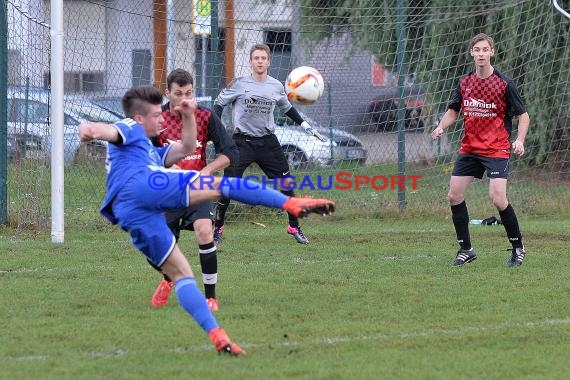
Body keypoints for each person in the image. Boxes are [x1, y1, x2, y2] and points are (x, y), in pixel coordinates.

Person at [78, 85, 335, 356]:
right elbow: (108, 131)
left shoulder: (150, 149)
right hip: (143, 185)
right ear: (139, 118)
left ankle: (218, 336)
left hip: (131, 212)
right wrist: (91, 130)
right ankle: (291, 204)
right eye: (155, 115)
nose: (161, 119)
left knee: (181, 274)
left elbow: (186, 147)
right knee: (222, 185)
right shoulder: (129, 127)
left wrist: (188, 115)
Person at [431, 33, 530, 268]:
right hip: (470, 148)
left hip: (496, 148)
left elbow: (523, 115)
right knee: (454, 195)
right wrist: (440, 126)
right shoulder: (465, 82)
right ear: (472, 53)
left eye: (485, 49)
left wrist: (520, 139)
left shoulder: (504, 83)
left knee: (497, 198)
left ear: (492, 52)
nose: (481, 53)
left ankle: (518, 248)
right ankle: (466, 250)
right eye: (477, 50)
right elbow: (454, 110)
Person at [212, 43, 325, 246]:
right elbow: (219, 103)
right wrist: (218, 131)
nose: (260, 61)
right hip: (242, 142)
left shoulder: (276, 86)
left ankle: (294, 226)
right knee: (227, 187)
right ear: (250, 61)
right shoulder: (239, 83)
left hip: (268, 143)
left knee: (286, 184)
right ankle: (218, 227)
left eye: (263, 58)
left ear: (269, 62)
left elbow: (287, 108)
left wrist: (306, 126)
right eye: (256, 58)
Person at [150, 69, 239, 311]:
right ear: (167, 92)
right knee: (162, 249)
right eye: (178, 94)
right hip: (166, 192)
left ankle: (210, 297)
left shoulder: (204, 115)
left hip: (198, 189)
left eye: (189, 93)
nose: (184, 98)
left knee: (204, 231)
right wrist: (166, 165)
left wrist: (208, 170)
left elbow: (231, 152)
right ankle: (169, 279)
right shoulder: (156, 119)